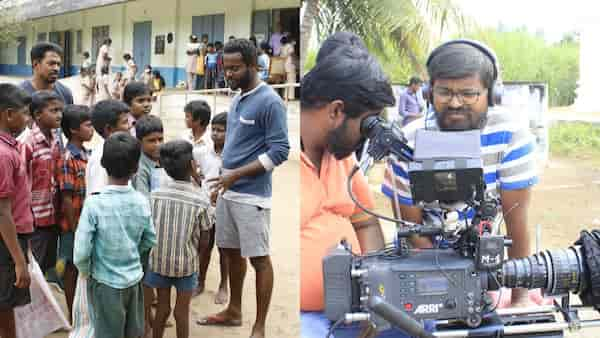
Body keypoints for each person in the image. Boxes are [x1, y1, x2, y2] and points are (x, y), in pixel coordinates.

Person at [382, 40, 539, 307]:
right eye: (445, 92)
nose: (455, 103)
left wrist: (520, 299)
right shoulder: (407, 141)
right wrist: (447, 290)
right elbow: (412, 231)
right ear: (429, 93)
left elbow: (517, 225)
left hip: (489, 264)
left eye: (468, 94)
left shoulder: (512, 137)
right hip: (428, 265)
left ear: (491, 95)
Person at [300, 32, 410, 338]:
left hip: (355, 309)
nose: (367, 137)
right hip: (307, 319)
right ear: (335, 111)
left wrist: (377, 302)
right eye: (367, 124)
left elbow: (366, 224)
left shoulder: (342, 158)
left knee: (421, 327)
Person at [196, 38, 290, 338]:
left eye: (236, 68)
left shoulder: (270, 101)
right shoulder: (236, 99)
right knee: (230, 254)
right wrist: (222, 181)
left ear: (253, 66)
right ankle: (234, 311)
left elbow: (280, 151)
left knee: (259, 259)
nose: (229, 74)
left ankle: (259, 326)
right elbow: (235, 146)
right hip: (228, 192)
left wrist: (236, 175)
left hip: (252, 197)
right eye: (227, 68)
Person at [74, 131, 157, 338]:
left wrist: (86, 271)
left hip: (104, 283)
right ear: (136, 168)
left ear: (103, 164)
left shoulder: (94, 203)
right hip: (134, 279)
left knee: (107, 332)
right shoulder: (141, 201)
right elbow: (149, 239)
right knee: (132, 332)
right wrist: (133, 255)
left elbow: (82, 251)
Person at [145, 140, 210, 338]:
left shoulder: (154, 196)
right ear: (192, 165)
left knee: (162, 308)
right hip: (186, 265)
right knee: (181, 312)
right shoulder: (200, 199)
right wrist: (196, 256)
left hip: (158, 262)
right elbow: (206, 236)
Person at [55, 104, 94, 322]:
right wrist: (76, 228)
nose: (92, 129)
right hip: (73, 227)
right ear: (73, 130)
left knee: (82, 268)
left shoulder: (86, 154)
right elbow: (67, 199)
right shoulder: (68, 158)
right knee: (71, 268)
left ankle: (83, 311)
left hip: (84, 223)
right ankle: (72, 314)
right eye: (87, 125)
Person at [0, 84, 33, 338]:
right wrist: (19, 261)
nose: (28, 118)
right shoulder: (4, 155)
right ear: (9, 114)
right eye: (25, 113)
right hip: (7, 242)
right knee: (5, 302)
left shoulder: (9, 148)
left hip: (10, 239)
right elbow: (2, 212)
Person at [20, 91, 64, 275]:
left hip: (52, 217)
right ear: (37, 115)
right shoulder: (28, 143)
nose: (59, 115)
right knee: (34, 269)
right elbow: (20, 183)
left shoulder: (55, 139)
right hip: (35, 220)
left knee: (48, 267)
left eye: (60, 110)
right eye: (54, 111)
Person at [196, 112, 229, 305]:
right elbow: (196, 170)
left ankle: (224, 285)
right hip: (206, 206)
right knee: (204, 246)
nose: (215, 134)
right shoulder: (203, 152)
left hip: (225, 207)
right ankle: (200, 282)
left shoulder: (233, 155)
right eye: (213, 130)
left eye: (221, 131)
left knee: (224, 249)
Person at [85, 100, 131, 196]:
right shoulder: (101, 157)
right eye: (125, 122)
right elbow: (98, 195)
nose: (129, 126)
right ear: (109, 129)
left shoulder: (118, 150)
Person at [132, 115, 164, 201]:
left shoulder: (164, 160)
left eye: (160, 139)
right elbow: (143, 201)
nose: (158, 145)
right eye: (151, 140)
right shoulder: (140, 169)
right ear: (139, 142)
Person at [182, 100, 212, 185]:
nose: (185, 119)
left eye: (187, 117)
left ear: (198, 120)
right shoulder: (184, 137)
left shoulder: (211, 141)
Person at [279, 36, 297, 100]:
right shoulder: (290, 46)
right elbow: (292, 54)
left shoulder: (281, 47)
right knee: (291, 80)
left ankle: (285, 96)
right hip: (290, 64)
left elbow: (281, 56)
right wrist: (295, 62)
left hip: (284, 64)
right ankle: (291, 96)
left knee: (286, 81)